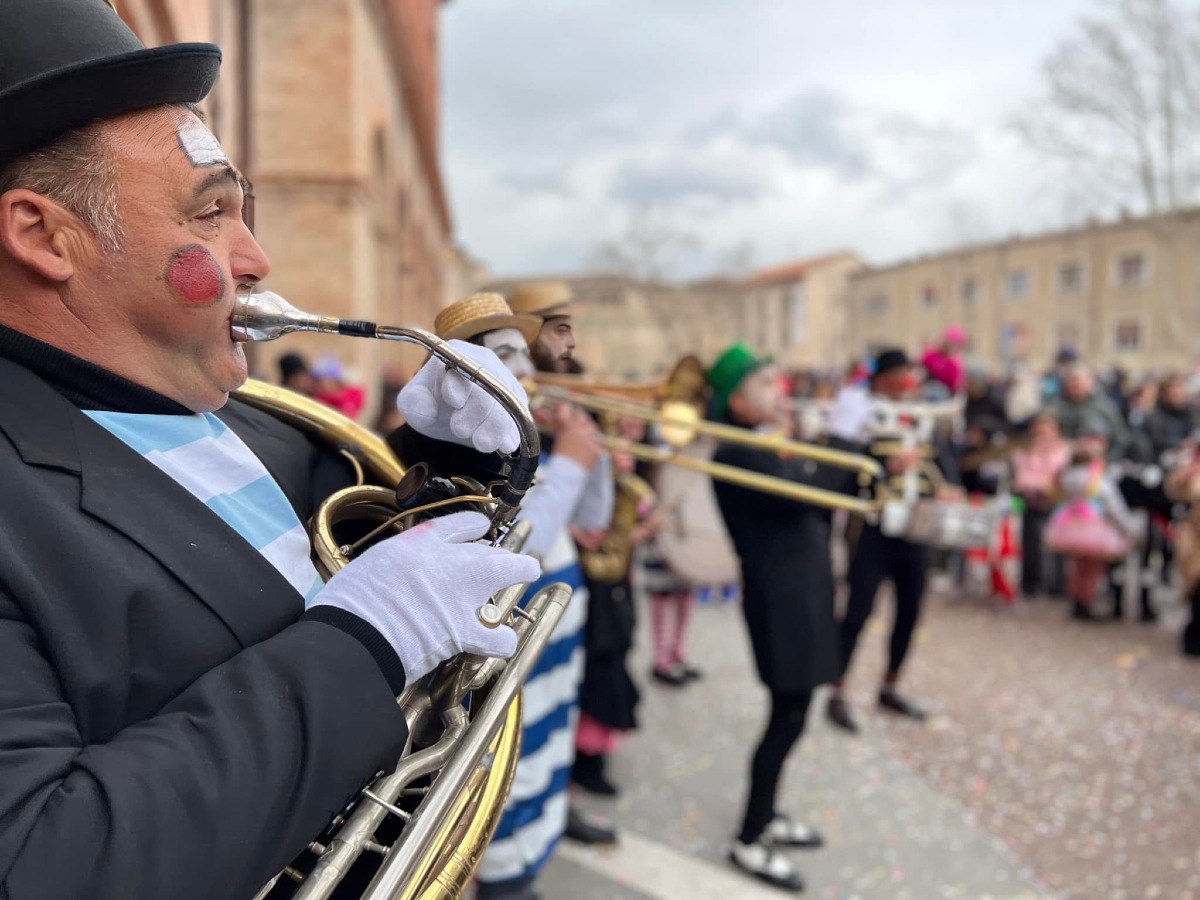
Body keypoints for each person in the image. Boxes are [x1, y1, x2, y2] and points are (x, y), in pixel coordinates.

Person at [0, 4, 541, 899]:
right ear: (43, 237)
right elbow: (40, 864)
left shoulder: (265, 420)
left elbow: (386, 555)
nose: (254, 256)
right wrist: (362, 645)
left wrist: (456, 466)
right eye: (210, 215)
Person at [432, 291, 616, 900]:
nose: (530, 368)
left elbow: (593, 517)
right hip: (517, 622)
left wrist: (591, 453)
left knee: (549, 744)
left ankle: (537, 844)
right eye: (509, 353)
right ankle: (507, 868)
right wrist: (566, 463)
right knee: (509, 754)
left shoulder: (530, 431)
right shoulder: (465, 444)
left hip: (561, 615)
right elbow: (518, 548)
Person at [707, 343, 848, 893]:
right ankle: (749, 836)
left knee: (794, 713)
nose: (779, 391)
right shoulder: (738, 453)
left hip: (802, 591)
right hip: (782, 599)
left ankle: (766, 816)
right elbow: (813, 494)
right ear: (736, 402)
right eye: (765, 384)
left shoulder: (762, 444)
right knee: (786, 717)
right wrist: (840, 442)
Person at [824, 348, 950, 733]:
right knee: (858, 611)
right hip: (871, 530)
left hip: (914, 530)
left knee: (910, 612)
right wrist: (882, 466)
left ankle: (891, 685)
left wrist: (945, 488)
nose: (904, 386)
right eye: (897, 377)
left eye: (907, 377)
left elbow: (937, 463)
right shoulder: (860, 415)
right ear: (879, 380)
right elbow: (842, 467)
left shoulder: (920, 418)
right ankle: (837, 690)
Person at [1044, 420, 1139, 621]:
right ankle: (1086, 602)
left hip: (1071, 526)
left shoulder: (1067, 477)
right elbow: (1113, 506)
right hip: (1095, 528)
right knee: (1093, 569)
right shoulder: (1097, 480)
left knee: (1077, 566)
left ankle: (1077, 600)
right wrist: (1129, 527)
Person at [1011, 412, 1070, 597]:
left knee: (1057, 545)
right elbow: (1020, 476)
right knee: (1030, 543)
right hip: (1029, 500)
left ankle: (1057, 584)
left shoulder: (1063, 450)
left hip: (1056, 501)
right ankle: (1030, 582)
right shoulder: (1025, 450)